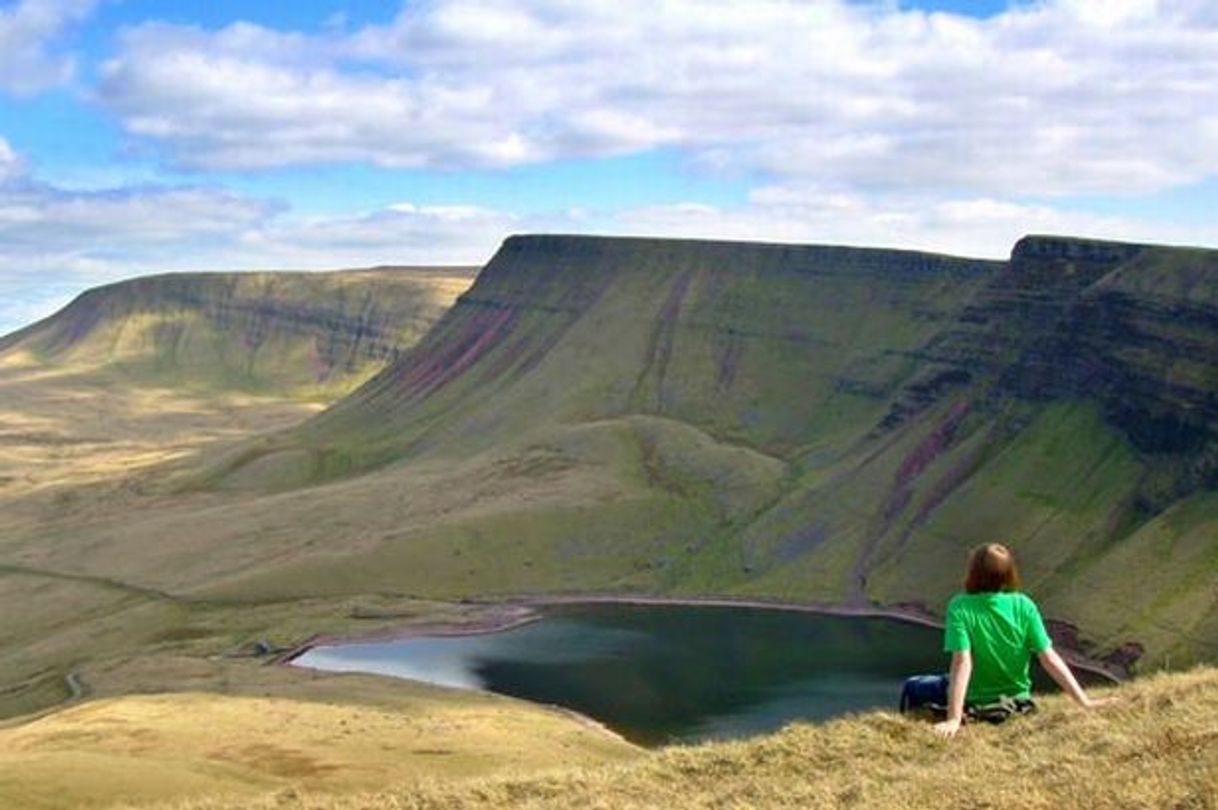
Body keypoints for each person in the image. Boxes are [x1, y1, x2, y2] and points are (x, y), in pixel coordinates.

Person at [933, 543, 1112, 738]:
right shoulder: (1024, 605)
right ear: (1009, 574)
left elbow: (962, 662)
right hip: (1019, 699)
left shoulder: (960, 606)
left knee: (916, 685)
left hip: (976, 698)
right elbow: (1049, 657)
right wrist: (1084, 702)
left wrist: (954, 718)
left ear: (974, 573)